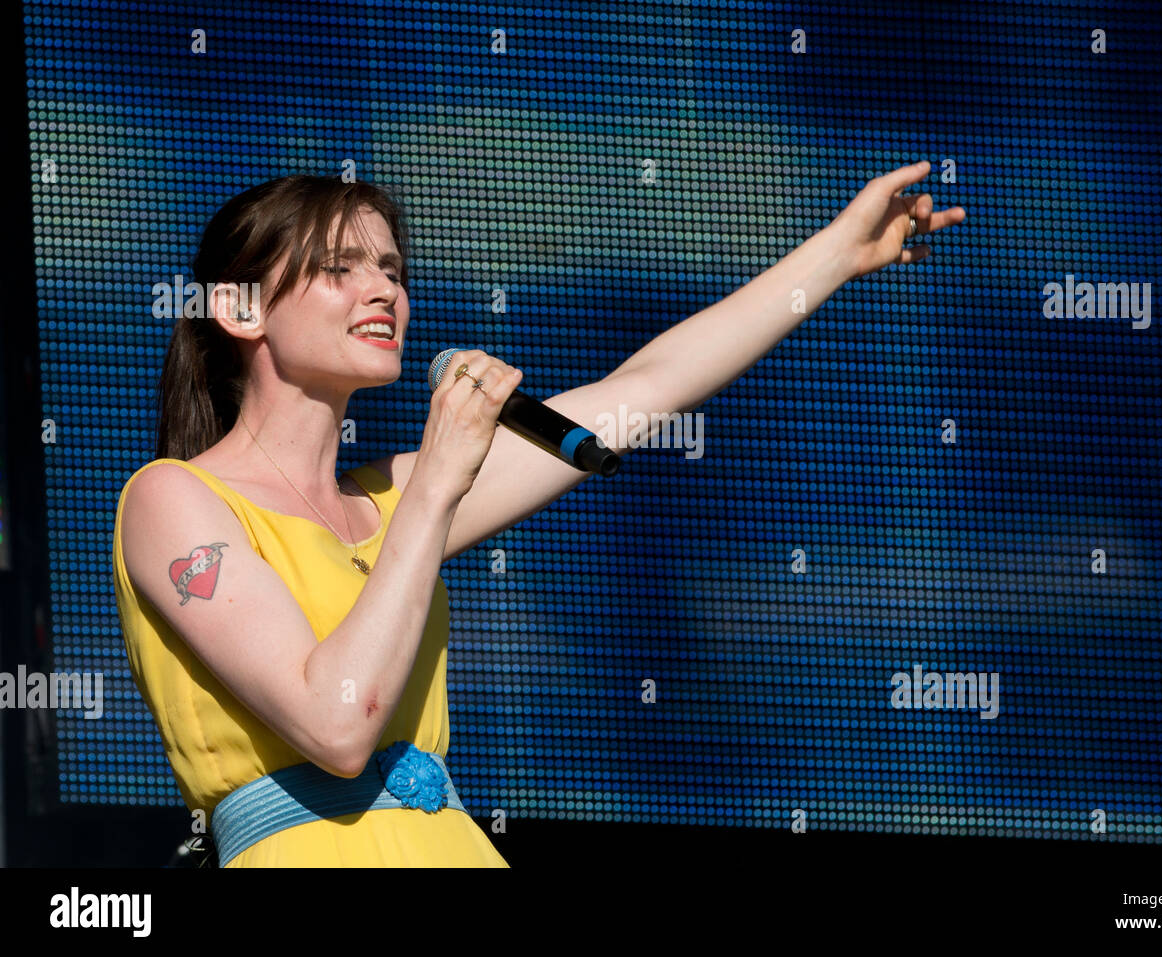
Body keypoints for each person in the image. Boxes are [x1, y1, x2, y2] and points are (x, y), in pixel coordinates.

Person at [112, 165, 965, 867]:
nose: (382, 291)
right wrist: (438, 484)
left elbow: (642, 390)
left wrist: (836, 254)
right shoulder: (172, 499)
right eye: (342, 268)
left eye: (393, 272)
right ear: (240, 308)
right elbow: (338, 722)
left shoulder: (394, 500)